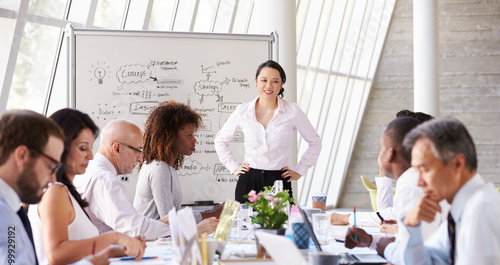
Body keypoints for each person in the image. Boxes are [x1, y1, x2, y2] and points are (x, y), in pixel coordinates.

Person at [367, 118, 500, 265]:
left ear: (457, 164)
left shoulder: (481, 207)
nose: (419, 182)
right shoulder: (461, 209)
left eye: (424, 170)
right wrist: (410, 226)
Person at [0, 110, 109, 265]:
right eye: (51, 166)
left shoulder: (10, 207)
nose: (52, 178)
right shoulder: (3, 212)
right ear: (22, 156)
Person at [29, 109, 146, 265]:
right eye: (83, 148)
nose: (91, 156)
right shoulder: (55, 192)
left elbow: (76, 248)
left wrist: (115, 250)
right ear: (60, 147)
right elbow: (56, 255)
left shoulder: (66, 191)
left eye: (91, 148)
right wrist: (114, 237)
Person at [343, 115, 448, 265]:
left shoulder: (411, 186)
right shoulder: (415, 179)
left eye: (381, 148)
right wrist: (371, 240)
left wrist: (380, 247)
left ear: (390, 154)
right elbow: (415, 245)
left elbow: (415, 261)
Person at [214, 60, 322, 203]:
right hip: (249, 179)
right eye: (264, 80)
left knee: (281, 224)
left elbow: (315, 142)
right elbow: (220, 140)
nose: (268, 86)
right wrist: (233, 167)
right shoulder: (243, 111)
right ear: (256, 81)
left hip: (278, 180)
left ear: (282, 84)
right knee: (244, 223)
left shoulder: (292, 111)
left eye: (275, 81)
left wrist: (299, 171)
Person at [331, 110, 435, 230]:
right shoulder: (409, 178)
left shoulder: (415, 183)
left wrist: (346, 218)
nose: (379, 154)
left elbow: (388, 216)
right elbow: (387, 216)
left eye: (382, 148)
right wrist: (383, 170)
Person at [73, 119, 170, 240]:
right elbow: (135, 229)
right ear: (117, 148)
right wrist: (180, 228)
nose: (140, 159)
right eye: (138, 150)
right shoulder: (105, 180)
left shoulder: (89, 170)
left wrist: (158, 225)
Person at [133, 101, 219, 235]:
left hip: (161, 240)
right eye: (189, 135)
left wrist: (210, 212)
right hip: (152, 244)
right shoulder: (158, 168)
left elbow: (175, 216)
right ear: (170, 138)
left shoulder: (167, 167)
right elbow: (170, 219)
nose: (194, 140)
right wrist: (211, 213)